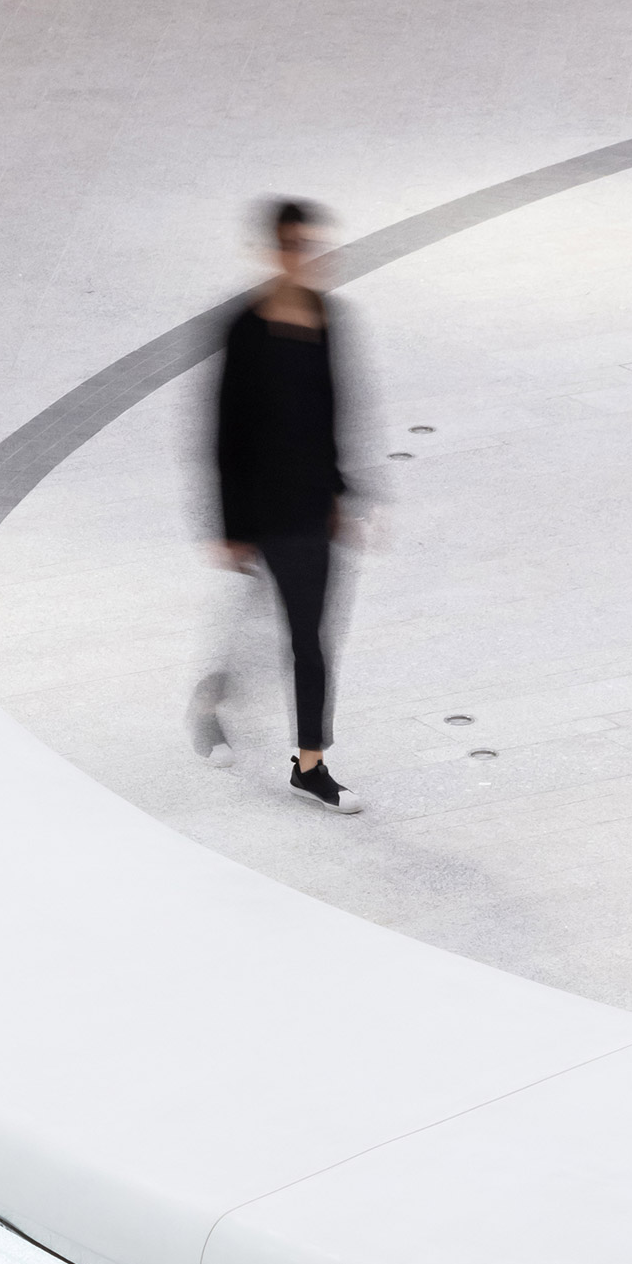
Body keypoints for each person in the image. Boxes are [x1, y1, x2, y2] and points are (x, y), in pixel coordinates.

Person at [191, 198, 363, 813]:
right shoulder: (245, 326)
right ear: (274, 250)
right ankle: (211, 703)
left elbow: (335, 407)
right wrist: (232, 527)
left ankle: (310, 764)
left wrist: (343, 492)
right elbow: (224, 430)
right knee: (266, 628)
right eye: (291, 246)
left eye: (309, 246)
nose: (302, 258)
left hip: (313, 506)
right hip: (264, 509)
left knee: (309, 638)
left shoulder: (324, 315)